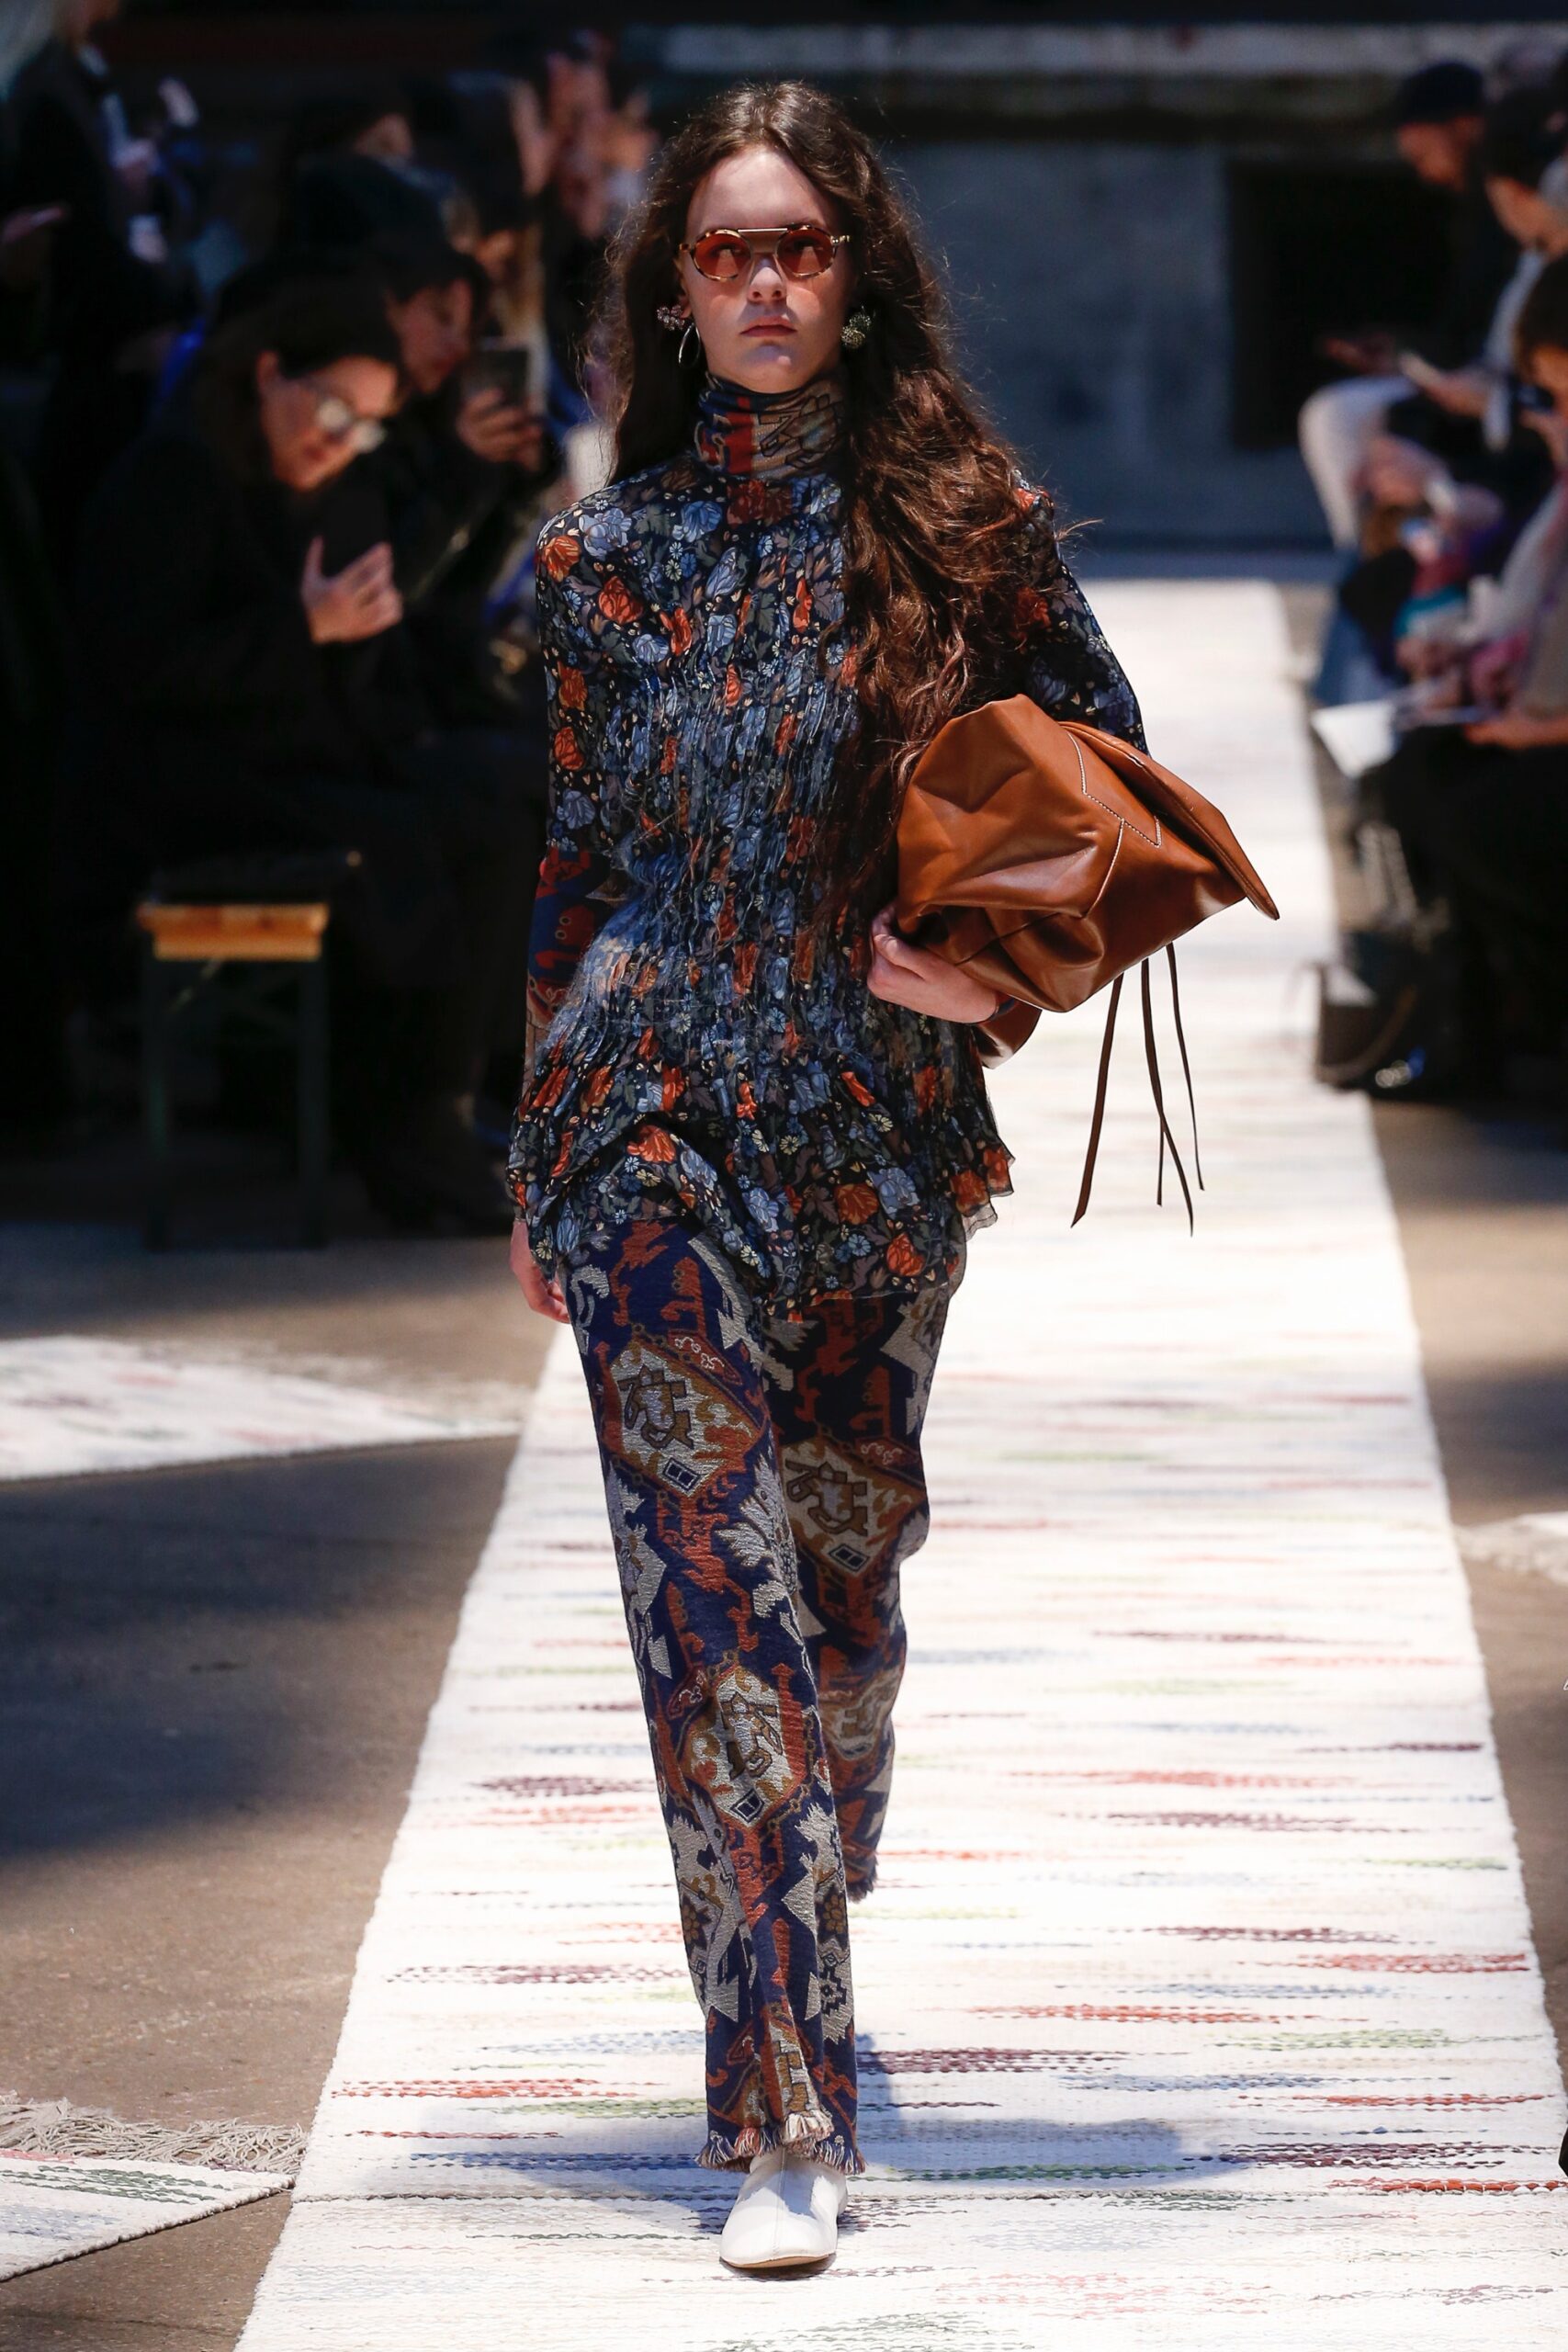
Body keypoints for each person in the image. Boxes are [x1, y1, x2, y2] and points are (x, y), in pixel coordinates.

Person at [506, 79, 1141, 2271]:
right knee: (713, 1607)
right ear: (672, 293)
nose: (762, 283)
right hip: (644, 1123)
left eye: (797, 245)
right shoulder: (603, 559)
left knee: (836, 1601)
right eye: (723, 251)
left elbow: (1112, 795)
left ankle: (807, 1859)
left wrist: (993, 977)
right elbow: (573, 864)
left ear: (853, 277)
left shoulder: (970, 534)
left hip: (874, 1134)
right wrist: (534, 1146)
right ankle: (777, 2098)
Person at [72, 272, 535, 1230]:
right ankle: (405, 1123)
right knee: (422, 832)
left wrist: (355, 632)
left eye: (365, 426)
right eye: (331, 409)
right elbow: (139, 669)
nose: (339, 439)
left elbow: (365, 663)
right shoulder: (176, 474)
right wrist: (307, 628)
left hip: (293, 755)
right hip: (185, 780)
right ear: (270, 373)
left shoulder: (330, 485)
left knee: (503, 791)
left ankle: (446, 1096)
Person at [1300, 60, 1517, 549]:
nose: (1426, 174)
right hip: (1478, 381)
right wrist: (1405, 356)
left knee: (1338, 416)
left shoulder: (1504, 200)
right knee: (1351, 417)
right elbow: (1464, 325)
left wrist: (1419, 362)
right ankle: (1375, 555)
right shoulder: (1479, 211)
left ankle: (1371, 557)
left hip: (1507, 394)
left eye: (1424, 155)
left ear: (1466, 127)